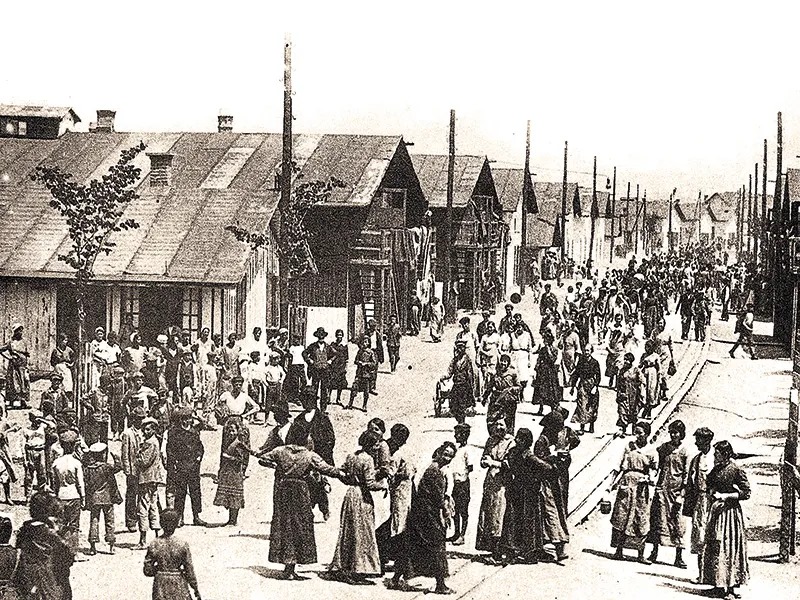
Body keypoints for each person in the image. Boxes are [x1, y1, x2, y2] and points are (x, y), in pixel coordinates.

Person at [256, 425, 342, 580]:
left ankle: (287, 567)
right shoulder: (309, 455)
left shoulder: (280, 451)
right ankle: (293, 566)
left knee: (284, 524)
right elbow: (327, 469)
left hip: (283, 489)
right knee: (300, 525)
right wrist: (343, 472)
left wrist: (277, 467)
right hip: (300, 491)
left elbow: (262, 459)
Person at [388, 442, 456, 595]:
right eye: (445, 454)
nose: (447, 458)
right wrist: (446, 513)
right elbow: (438, 498)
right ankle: (440, 585)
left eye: (451, 456)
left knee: (411, 546)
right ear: (438, 452)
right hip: (428, 515)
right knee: (437, 547)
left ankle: (395, 579)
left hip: (420, 514)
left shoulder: (433, 468)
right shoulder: (434, 472)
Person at [328, 430, 386, 585]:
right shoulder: (368, 460)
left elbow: (341, 473)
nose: (377, 447)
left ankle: (344, 566)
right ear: (369, 444)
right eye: (375, 444)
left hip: (350, 494)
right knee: (362, 532)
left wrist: (349, 480)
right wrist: (383, 485)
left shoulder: (352, 456)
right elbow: (370, 484)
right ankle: (358, 569)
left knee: (349, 531)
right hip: (362, 496)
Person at [700, 440, 750, 599]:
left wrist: (726, 496)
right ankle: (718, 586)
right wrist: (711, 490)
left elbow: (746, 493)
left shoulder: (735, 470)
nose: (715, 456)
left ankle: (731, 589)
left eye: (717, 454)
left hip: (730, 514)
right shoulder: (716, 470)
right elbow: (709, 485)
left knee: (729, 548)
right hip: (717, 512)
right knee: (716, 546)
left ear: (726, 454)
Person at [499, 427, 553, 564]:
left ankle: (518, 550)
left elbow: (507, 465)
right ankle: (527, 551)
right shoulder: (525, 455)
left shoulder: (517, 453)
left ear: (525, 441)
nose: (517, 440)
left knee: (519, 519)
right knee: (525, 519)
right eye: (517, 437)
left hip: (521, 489)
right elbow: (547, 468)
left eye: (520, 438)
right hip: (526, 490)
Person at [609, 421, 657, 563]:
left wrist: (648, 478)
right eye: (635, 432)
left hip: (641, 488)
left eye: (640, 433)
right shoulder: (629, 446)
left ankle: (640, 554)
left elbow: (654, 470)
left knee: (640, 517)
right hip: (626, 484)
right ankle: (619, 550)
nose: (637, 436)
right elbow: (619, 466)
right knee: (622, 516)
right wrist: (610, 485)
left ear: (647, 434)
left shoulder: (651, 451)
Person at [13, 492, 74, 600]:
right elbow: (67, 559)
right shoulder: (52, 536)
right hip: (51, 587)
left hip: (27, 584)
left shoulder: (24, 531)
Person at [289, 387, 337, 521]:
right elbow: (292, 439)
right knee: (306, 482)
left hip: (319, 455)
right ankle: (307, 510)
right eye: (304, 400)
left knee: (318, 482)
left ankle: (324, 507)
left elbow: (330, 438)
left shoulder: (322, 418)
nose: (306, 402)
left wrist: (324, 454)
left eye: (309, 400)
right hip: (303, 457)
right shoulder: (298, 419)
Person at [533, 409, 575, 560]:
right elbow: (538, 462)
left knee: (557, 511)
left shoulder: (552, 439)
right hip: (545, 483)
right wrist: (553, 460)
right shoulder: (541, 441)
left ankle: (556, 545)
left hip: (554, 481)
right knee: (551, 513)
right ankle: (557, 547)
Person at [648, 420, 689, 568]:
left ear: (681, 434)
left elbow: (686, 475)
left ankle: (678, 557)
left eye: (676, 433)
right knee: (657, 520)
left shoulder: (685, 452)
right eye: (671, 432)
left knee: (677, 523)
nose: (673, 435)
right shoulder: (664, 448)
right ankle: (654, 552)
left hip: (676, 492)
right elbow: (653, 459)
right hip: (662, 490)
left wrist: (681, 494)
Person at [475, 419, 514, 561]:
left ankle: (499, 551)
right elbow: (484, 457)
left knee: (499, 514)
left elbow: (510, 464)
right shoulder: (490, 441)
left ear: (507, 426)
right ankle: (490, 548)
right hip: (490, 482)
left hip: (502, 483)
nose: (498, 427)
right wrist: (484, 462)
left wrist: (494, 463)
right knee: (488, 513)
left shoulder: (511, 442)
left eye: (501, 424)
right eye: (496, 424)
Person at [376, 424, 414, 566]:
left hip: (399, 488)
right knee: (395, 521)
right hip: (391, 488)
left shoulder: (397, 449)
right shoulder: (387, 447)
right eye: (402, 438)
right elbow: (387, 469)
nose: (404, 442)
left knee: (397, 520)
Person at [144, 508, 201, 600]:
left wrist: (160, 569)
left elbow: (147, 570)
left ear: (161, 523)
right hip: (178, 583)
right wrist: (195, 588)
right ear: (176, 524)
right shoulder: (182, 544)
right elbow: (189, 569)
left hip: (160, 585)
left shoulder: (154, 543)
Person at [166, 407, 206, 527]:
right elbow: (170, 450)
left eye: (189, 418)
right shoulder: (174, 432)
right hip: (181, 466)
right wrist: (174, 463)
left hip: (193, 466)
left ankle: (196, 516)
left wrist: (198, 458)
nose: (187, 421)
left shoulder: (194, 432)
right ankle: (180, 517)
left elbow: (200, 447)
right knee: (180, 493)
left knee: (195, 492)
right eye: (184, 418)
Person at [683, 427, 715, 576]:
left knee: (713, 536)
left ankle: (713, 574)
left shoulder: (716, 458)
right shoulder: (696, 459)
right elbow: (690, 482)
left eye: (699, 440)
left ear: (707, 441)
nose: (696, 443)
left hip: (714, 502)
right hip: (700, 501)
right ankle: (701, 574)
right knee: (699, 535)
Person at [83, 441, 123, 555]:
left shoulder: (88, 468)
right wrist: (116, 456)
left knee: (94, 520)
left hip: (95, 498)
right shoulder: (106, 467)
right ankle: (111, 546)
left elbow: (86, 483)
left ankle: (92, 546)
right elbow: (118, 467)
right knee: (109, 521)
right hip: (107, 498)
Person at [51, 430, 85, 557]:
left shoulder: (56, 463)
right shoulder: (76, 463)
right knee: (74, 526)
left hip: (61, 495)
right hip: (74, 495)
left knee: (62, 525)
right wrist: (83, 498)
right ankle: (74, 552)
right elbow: (80, 483)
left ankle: (61, 552)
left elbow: (54, 483)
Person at [213, 416, 250, 526]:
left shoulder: (239, 443)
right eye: (229, 430)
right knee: (228, 494)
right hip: (227, 470)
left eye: (233, 430)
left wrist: (230, 458)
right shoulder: (228, 441)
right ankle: (230, 519)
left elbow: (243, 458)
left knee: (235, 495)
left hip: (236, 471)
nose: (230, 432)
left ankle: (233, 520)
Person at [136, 416, 166, 549]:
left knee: (143, 507)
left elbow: (144, 461)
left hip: (146, 478)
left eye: (148, 429)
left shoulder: (149, 443)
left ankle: (143, 540)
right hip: (153, 479)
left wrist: (137, 456)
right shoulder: (155, 441)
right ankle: (157, 536)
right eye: (144, 429)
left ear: (153, 430)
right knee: (153, 506)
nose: (145, 432)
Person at [447, 423, 473, 546]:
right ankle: (456, 533)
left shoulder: (467, 450)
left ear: (463, 435)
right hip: (456, 484)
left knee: (463, 510)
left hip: (463, 484)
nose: (455, 436)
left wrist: (463, 477)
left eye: (457, 434)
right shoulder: (457, 449)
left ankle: (462, 535)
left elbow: (470, 467)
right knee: (455, 509)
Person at [121, 406, 145, 532]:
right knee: (131, 495)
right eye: (138, 419)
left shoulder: (145, 432)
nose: (140, 421)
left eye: (142, 419)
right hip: (132, 469)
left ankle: (143, 518)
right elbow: (125, 453)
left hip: (144, 469)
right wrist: (127, 470)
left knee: (144, 494)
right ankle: (131, 521)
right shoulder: (127, 433)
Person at [440, 339, 475, 424]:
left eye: (462, 347)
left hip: (464, 386)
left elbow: (470, 373)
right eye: (458, 348)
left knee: (462, 405)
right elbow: (450, 371)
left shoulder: (467, 360)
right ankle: (460, 420)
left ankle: (461, 423)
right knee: (453, 406)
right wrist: (444, 377)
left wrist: (471, 386)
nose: (460, 349)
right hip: (456, 385)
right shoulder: (454, 360)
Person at [570, 344, 602, 435]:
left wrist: (595, 386)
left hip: (591, 385)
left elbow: (598, 375)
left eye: (588, 350)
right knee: (582, 405)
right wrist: (573, 386)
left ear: (591, 351)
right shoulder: (581, 361)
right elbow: (576, 374)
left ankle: (591, 425)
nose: (586, 352)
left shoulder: (595, 362)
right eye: (585, 350)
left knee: (592, 406)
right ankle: (582, 427)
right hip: (582, 385)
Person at [485, 354, 520, 432]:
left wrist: (511, 390)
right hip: (497, 399)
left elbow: (518, 386)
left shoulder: (513, 373)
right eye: (502, 361)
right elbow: (490, 386)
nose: (503, 363)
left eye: (505, 362)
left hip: (509, 400)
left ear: (508, 363)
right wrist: (485, 397)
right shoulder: (496, 373)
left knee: (509, 421)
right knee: (492, 420)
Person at [303, 327, 333, 412]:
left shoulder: (328, 346)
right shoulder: (313, 346)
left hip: (325, 371)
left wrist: (330, 360)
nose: (321, 337)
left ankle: (323, 409)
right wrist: (309, 361)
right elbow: (304, 353)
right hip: (315, 371)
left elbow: (335, 354)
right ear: (317, 336)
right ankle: (314, 408)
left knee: (324, 390)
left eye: (322, 336)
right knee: (314, 389)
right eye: (320, 336)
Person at [0, 323, 30, 408]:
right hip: (14, 365)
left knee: (24, 382)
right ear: (15, 332)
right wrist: (9, 357)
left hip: (22, 365)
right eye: (18, 330)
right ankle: (12, 402)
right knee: (13, 382)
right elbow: (1, 350)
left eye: (21, 330)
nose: (20, 332)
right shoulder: (11, 342)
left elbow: (26, 353)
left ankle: (23, 401)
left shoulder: (24, 342)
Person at [533, 329, 561, 416]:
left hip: (550, 371)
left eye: (546, 339)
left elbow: (552, 359)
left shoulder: (554, 349)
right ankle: (541, 408)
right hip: (542, 371)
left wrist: (548, 349)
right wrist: (536, 368)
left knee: (551, 390)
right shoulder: (542, 349)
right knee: (541, 389)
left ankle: (553, 409)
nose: (545, 341)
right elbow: (539, 359)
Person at [615, 353, 645, 437]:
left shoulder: (636, 370)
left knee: (633, 411)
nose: (626, 361)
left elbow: (642, 381)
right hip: (624, 394)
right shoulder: (621, 370)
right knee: (622, 411)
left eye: (627, 360)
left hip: (634, 394)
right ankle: (623, 429)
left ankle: (634, 429)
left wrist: (641, 393)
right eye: (625, 359)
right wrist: (618, 393)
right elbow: (618, 382)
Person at [348, 337, 378, 412]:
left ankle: (364, 405)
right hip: (359, 373)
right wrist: (359, 362)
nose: (364, 344)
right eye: (363, 342)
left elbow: (374, 363)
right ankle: (350, 403)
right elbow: (355, 360)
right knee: (354, 388)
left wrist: (367, 364)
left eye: (366, 342)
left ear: (368, 343)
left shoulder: (371, 352)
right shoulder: (360, 351)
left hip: (367, 374)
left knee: (366, 391)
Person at [22, 410, 47, 499]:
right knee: (29, 476)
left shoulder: (43, 427)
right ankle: (28, 497)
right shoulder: (26, 430)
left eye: (38, 420)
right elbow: (23, 445)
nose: (36, 422)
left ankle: (41, 496)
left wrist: (42, 420)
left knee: (42, 475)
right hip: (30, 451)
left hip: (41, 451)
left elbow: (53, 425)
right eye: (35, 420)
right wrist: (25, 459)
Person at [263, 353, 287, 425]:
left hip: (277, 385)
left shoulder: (279, 367)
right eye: (275, 359)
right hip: (270, 385)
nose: (277, 361)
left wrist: (281, 381)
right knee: (268, 403)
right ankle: (266, 420)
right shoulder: (268, 368)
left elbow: (284, 374)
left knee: (278, 403)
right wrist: (267, 385)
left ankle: (277, 421)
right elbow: (263, 377)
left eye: (278, 359)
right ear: (271, 360)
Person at [640, 339, 662, 419]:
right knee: (643, 392)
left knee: (651, 392)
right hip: (644, 373)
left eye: (648, 347)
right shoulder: (644, 355)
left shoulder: (655, 356)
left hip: (652, 374)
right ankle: (644, 408)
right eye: (646, 347)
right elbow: (640, 365)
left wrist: (660, 377)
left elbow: (659, 367)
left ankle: (648, 411)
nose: (647, 349)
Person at [50, 333, 75, 402]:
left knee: (68, 383)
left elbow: (74, 360)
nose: (65, 342)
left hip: (66, 368)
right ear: (60, 341)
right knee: (58, 382)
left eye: (66, 340)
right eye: (64, 340)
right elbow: (52, 361)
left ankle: (68, 397)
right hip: (58, 368)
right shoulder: (55, 350)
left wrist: (70, 365)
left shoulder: (69, 350)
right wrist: (56, 366)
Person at [328, 329, 349, 406]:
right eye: (338, 334)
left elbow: (347, 357)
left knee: (340, 383)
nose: (339, 336)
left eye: (340, 334)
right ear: (336, 335)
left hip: (341, 366)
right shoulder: (333, 344)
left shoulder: (344, 345)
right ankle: (328, 397)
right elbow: (329, 355)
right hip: (334, 365)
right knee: (331, 382)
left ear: (342, 336)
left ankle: (338, 398)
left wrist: (346, 367)